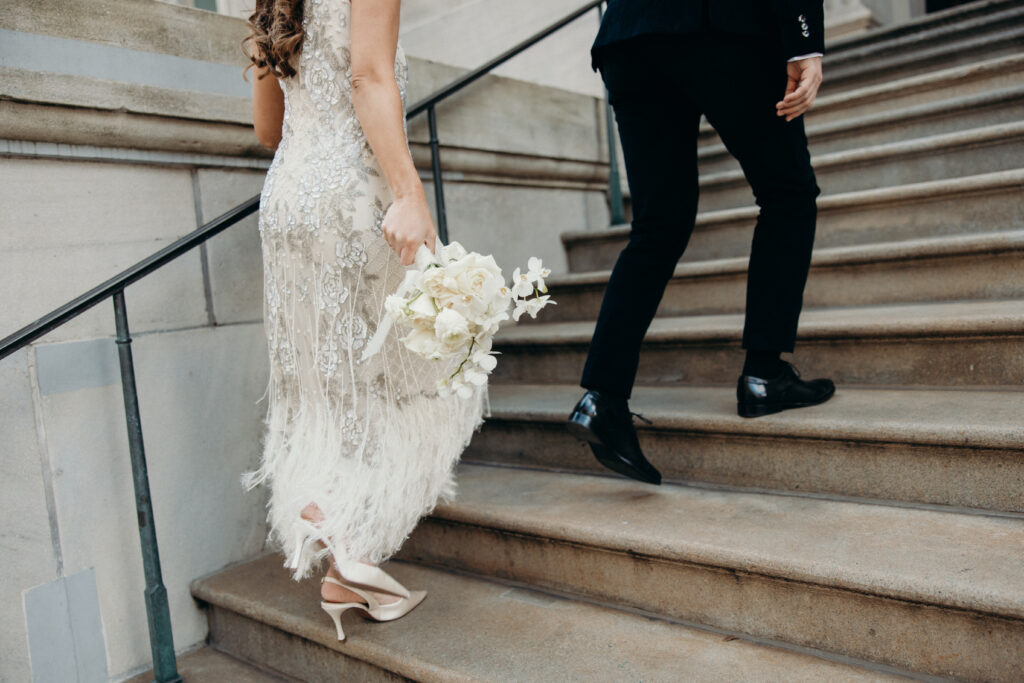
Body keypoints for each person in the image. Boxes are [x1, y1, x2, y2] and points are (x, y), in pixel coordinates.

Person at [242, 0, 486, 640]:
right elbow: (368, 78)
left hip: (288, 199)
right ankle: (349, 545)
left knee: (328, 379)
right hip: (351, 195)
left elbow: (269, 128)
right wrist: (410, 193)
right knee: (411, 360)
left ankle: (347, 554)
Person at [568, 0, 836, 485]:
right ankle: (764, 374)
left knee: (658, 223)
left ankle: (601, 398)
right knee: (789, 195)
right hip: (723, 26)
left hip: (630, 37)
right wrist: (804, 42)